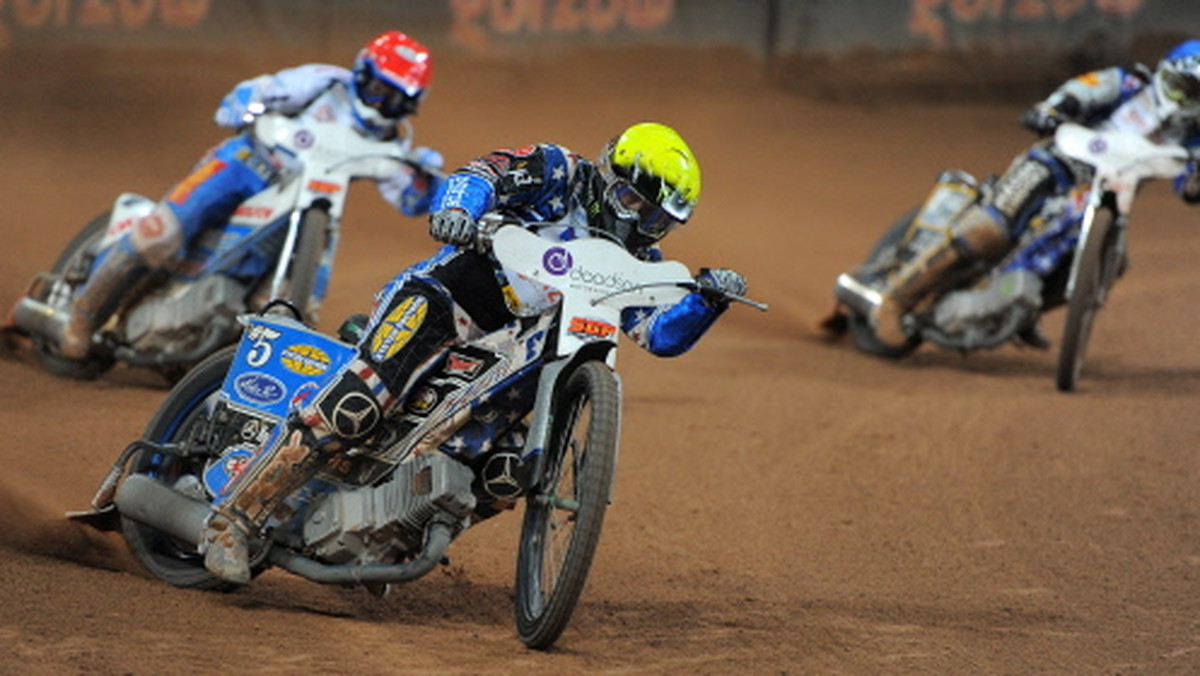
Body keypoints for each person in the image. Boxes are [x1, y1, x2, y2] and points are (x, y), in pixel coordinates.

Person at [199, 121, 749, 583]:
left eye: (656, 221)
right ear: (609, 175)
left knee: (508, 473)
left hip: (513, 352)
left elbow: (658, 335)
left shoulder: (640, 265)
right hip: (449, 296)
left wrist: (708, 303)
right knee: (357, 405)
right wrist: (461, 209)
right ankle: (233, 521)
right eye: (633, 203)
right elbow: (481, 173)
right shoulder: (558, 169)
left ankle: (390, 538)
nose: (637, 224)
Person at [51, 30, 445, 360]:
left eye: (396, 100)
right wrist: (244, 102)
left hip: (316, 202)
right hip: (247, 164)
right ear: (361, 72)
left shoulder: (396, 144)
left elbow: (411, 200)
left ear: (411, 105)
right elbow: (262, 90)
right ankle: (82, 314)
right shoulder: (324, 83)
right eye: (378, 90)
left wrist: (431, 184)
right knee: (163, 231)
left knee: (303, 305)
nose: (382, 105)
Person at [844, 39, 1200, 349]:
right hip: (1059, 163)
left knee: (1111, 263)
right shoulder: (1131, 82)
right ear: (1164, 74)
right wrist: (1054, 108)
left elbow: (1187, 178)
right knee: (992, 229)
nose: (1185, 101)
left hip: (1105, 196)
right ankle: (895, 298)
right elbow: (1085, 88)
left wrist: (1194, 183)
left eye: (1197, 94)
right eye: (1182, 86)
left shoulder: (1193, 137)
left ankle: (1024, 314)